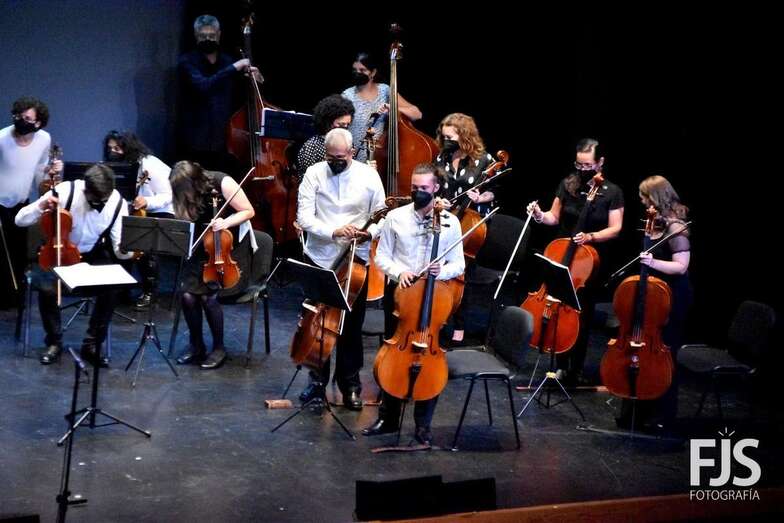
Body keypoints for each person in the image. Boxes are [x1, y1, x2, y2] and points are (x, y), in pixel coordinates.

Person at [362, 163, 465, 445]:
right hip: (401, 296)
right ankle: (388, 418)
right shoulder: (396, 218)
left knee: (430, 358)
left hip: (435, 299)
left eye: (424, 189)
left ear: (436, 188)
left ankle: (423, 425)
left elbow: (458, 264)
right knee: (395, 355)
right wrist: (399, 272)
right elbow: (381, 258)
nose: (418, 193)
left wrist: (439, 272)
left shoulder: (450, 222)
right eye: (414, 188)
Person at [296, 128, 386, 409]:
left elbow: (383, 215)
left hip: (355, 260)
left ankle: (350, 384)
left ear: (351, 153)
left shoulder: (369, 176)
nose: (335, 161)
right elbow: (304, 218)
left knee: (351, 326)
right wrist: (335, 231)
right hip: (321, 257)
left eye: (340, 157)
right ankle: (317, 383)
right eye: (330, 157)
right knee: (318, 324)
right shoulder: (314, 174)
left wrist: (367, 234)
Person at [526, 138, 624, 385]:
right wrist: (539, 215)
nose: (582, 171)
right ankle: (558, 361)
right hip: (561, 253)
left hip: (588, 261)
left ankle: (574, 369)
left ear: (600, 162)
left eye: (587, 165)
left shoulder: (612, 192)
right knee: (556, 304)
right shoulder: (568, 184)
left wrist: (590, 236)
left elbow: (616, 228)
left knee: (581, 312)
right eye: (579, 165)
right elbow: (553, 216)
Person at [15, 164, 132, 365]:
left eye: (104, 198)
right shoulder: (65, 191)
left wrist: (129, 249)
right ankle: (54, 341)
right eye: (95, 198)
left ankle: (92, 343)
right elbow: (20, 220)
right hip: (58, 253)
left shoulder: (117, 202)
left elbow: (119, 248)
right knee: (47, 287)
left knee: (113, 287)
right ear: (85, 189)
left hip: (91, 255)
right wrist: (41, 207)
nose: (100, 202)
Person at [617, 175, 692, 432]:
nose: (640, 200)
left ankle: (663, 413)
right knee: (641, 347)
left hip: (671, 296)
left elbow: (681, 267)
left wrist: (653, 263)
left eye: (644, 196)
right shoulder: (653, 221)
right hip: (652, 293)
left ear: (656, 198)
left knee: (664, 352)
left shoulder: (675, 226)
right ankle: (636, 407)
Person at [170, 160, 255, 369]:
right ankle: (196, 345)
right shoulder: (184, 193)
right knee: (188, 296)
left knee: (209, 296)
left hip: (230, 244)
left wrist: (225, 222)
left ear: (195, 182)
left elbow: (248, 211)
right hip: (204, 247)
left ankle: (219, 348)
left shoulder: (221, 182)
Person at [434, 112, 497, 345]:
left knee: (462, 273)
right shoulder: (442, 157)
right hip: (445, 218)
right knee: (438, 269)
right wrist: (439, 200)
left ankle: (459, 327)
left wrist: (480, 198)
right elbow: (436, 186)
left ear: (464, 135)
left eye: (451, 137)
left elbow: (494, 191)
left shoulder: (484, 160)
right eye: (444, 136)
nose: (447, 141)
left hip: (471, 222)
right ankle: (438, 318)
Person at [178, 14, 261, 173]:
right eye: (203, 36)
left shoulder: (228, 60)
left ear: (219, 35)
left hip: (227, 140)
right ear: (196, 36)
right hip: (197, 142)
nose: (208, 39)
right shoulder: (187, 62)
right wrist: (234, 68)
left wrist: (256, 79)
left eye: (212, 35)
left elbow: (243, 94)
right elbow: (204, 85)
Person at [0, 96, 61, 309]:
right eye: (18, 116)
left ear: (38, 123)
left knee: (18, 252)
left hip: (21, 202)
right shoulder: (1, 139)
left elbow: (39, 169)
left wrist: (49, 175)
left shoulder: (43, 139)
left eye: (27, 118)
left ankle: (16, 298)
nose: (20, 121)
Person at [104, 130, 173, 309]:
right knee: (117, 241)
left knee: (144, 245)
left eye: (118, 148)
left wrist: (147, 201)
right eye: (111, 148)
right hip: (135, 211)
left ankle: (150, 291)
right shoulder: (119, 166)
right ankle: (122, 287)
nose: (114, 152)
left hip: (160, 212)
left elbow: (168, 195)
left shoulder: (150, 165)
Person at [342, 52, 422, 163]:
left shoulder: (385, 91)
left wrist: (393, 109)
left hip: (380, 159)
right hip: (355, 159)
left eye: (362, 70)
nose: (357, 73)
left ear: (373, 72)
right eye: (355, 70)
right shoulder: (347, 96)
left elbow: (417, 114)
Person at [295, 94, 354, 182]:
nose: (345, 128)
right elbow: (308, 181)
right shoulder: (311, 147)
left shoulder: (347, 142)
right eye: (341, 124)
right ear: (328, 121)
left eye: (347, 125)